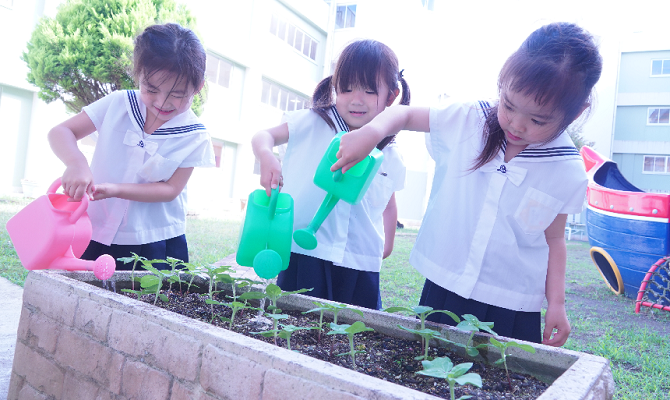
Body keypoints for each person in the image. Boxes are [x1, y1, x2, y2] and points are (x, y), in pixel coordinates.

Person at [331, 22, 603, 346]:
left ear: (575, 114)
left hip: (512, 304)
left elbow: (555, 239)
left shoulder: (566, 170)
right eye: (509, 105)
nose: (516, 124)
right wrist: (370, 133)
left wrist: (556, 304)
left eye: (537, 120)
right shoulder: (469, 119)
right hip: (445, 288)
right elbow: (403, 115)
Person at [252, 39, 410, 309]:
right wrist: (267, 155)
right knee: (296, 329)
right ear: (335, 86)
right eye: (346, 89)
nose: (356, 100)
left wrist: (384, 247)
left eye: (369, 90)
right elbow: (263, 135)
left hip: (359, 263)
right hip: (306, 254)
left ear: (391, 96)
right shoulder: (312, 122)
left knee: (352, 341)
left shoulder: (389, 151)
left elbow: (388, 203)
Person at [48, 23, 215, 270]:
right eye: (151, 89)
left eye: (177, 94)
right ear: (139, 76)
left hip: (154, 240)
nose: (162, 102)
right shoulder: (118, 103)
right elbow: (61, 131)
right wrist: (76, 163)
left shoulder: (195, 136)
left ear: (198, 87)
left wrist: (116, 189)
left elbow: (170, 189)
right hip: (92, 228)